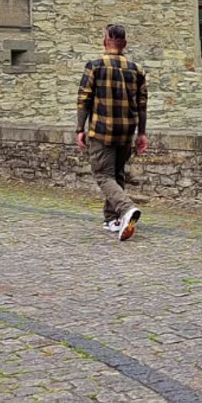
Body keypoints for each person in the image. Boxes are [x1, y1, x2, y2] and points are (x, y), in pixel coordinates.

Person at [76, 24, 149, 241]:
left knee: (103, 175)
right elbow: (142, 104)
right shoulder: (137, 70)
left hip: (102, 130)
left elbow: (84, 100)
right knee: (116, 174)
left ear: (104, 41)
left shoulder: (94, 66)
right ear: (124, 44)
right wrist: (142, 133)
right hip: (126, 132)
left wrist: (80, 128)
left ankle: (126, 209)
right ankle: (113, 219)